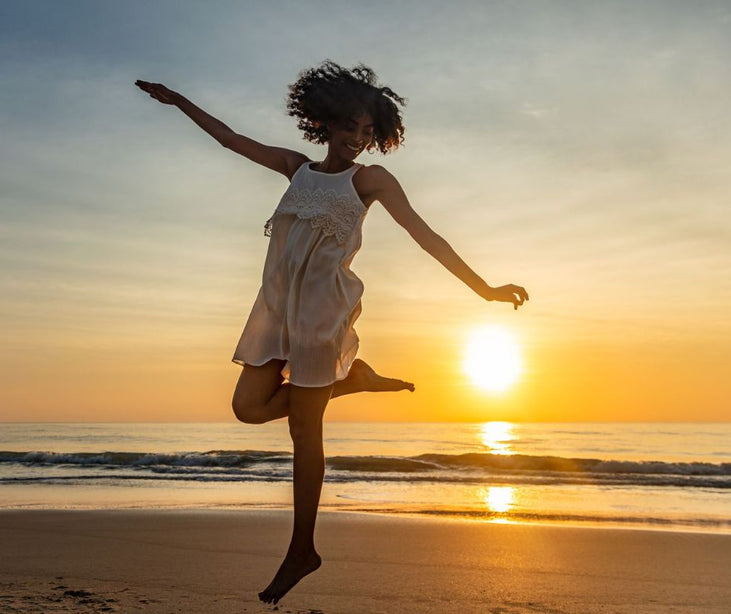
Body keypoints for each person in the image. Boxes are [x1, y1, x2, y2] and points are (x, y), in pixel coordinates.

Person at [135, 61, 528, 605]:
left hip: (322, 314)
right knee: (248, 408)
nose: (358, 139)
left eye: (369, 131)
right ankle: (354, 382)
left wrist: (483, 290)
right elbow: (229, 139)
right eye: (350, 127)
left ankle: (302, 549)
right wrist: (179, 101)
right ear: (326, 122)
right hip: (276, 311)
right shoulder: (296, 168)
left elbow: (425, 235)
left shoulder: (368, 181)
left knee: (304, 433)